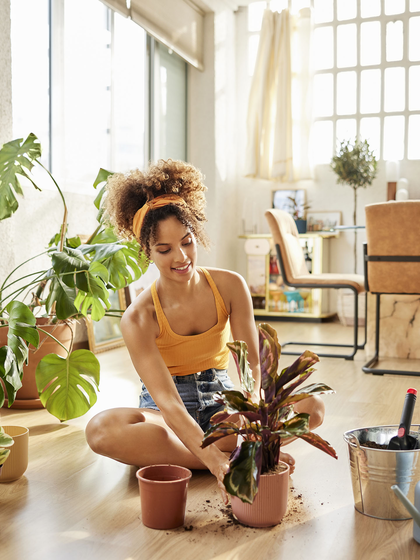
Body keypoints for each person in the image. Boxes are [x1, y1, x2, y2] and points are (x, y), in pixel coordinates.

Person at [85, 159, 325, 504]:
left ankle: (206, 454)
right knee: (101, 430)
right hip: (166, 414)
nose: (181, 257)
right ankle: (227, 457)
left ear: (196, 234)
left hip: (222, 404)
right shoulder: (138, 317)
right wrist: (215, 459)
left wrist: (253, 422)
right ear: (147, 252)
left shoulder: (229, 285)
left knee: (312, 406)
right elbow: (167, 401)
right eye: (164, 250)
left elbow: (251, 367)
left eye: (187, 242)